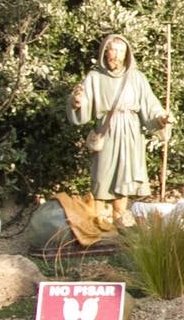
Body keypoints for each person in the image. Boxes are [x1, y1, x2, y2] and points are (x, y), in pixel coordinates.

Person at [68, 34, 171, 230]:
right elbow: (81, 105)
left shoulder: (136, 78)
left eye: (119, 51)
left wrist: (162, 118)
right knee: (102, 175)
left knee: (125, 175)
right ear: (104, 52)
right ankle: (98, 219)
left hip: (130, 132)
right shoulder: (94, 78)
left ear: (126, 55)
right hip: (107, 131)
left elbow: (151, 106)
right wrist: (76, 102)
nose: (114, 55)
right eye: (111, 50)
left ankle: (120, 216)